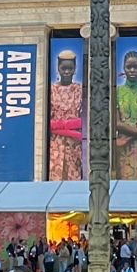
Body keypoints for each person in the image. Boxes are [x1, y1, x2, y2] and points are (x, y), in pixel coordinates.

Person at [113, 49, 137, 179]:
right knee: (124, 180)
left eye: (136, 67)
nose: (132, 70)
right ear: (123, 68)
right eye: (128, 67)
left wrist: (132, 137)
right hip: (123, 146)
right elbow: (117, 122)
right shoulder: (117, 91)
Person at [48, 50, 84, 180]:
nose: (67, 72)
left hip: (74, 142)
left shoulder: (80, 89)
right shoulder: (51, 90)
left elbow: (83, 118)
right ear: (58, 68)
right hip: (55, 142)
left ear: (75, 69)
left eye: (70, 68)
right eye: (64, 68)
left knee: (73, 175)